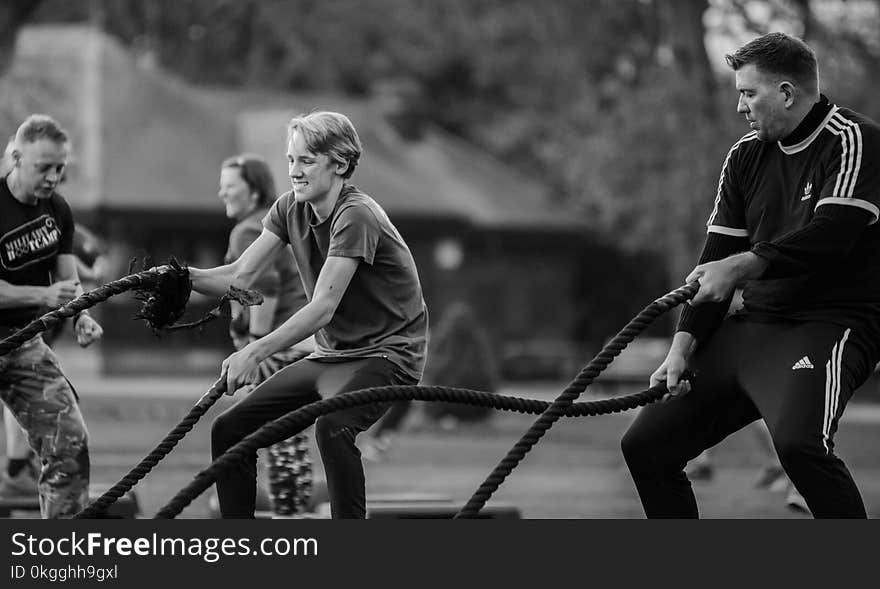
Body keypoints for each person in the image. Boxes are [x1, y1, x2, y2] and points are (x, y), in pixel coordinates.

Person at [621, 32, 880, 518]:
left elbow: (834, 234)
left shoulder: (855, 139)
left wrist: (746, 264)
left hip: (831, 322)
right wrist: (683, 346)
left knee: (800, 448)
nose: (740, 105)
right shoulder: (744, 155)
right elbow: (718, 255)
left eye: (748, 92)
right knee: (646, 448)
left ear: (786, 92)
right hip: (755, 324)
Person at [189, 111, 429, 518]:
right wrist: (180, 278)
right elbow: (239, 275)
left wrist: (255, 351)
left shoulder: (357, 216)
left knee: (333, 427)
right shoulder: (289, 209)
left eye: (306, 161)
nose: (294, 172)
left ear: (339, 164)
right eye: (290, 160)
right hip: (332, 356)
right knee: (229, 429)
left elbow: (322, 307)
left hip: (389, 355)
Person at [0, 114, 103, 518]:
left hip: (25, 342)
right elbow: (49, 289)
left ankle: (60, 559)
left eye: (60, 167)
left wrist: (80, 315)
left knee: (70, 445)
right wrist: (44, 294)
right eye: (43, 166)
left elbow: (68, 278)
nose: (53, 176)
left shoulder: (58, 210)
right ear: (15, 156)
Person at [216, 153, 315, 514]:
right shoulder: (269, 226)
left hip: (277, 345)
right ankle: (293, 516)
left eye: (230, 186)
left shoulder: (247, 230)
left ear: (254, 192)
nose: (221, 193)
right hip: (302, 343)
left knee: (272, 436)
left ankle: (286, 520)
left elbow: (266, 287)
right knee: (289, 438)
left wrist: (253, 346)